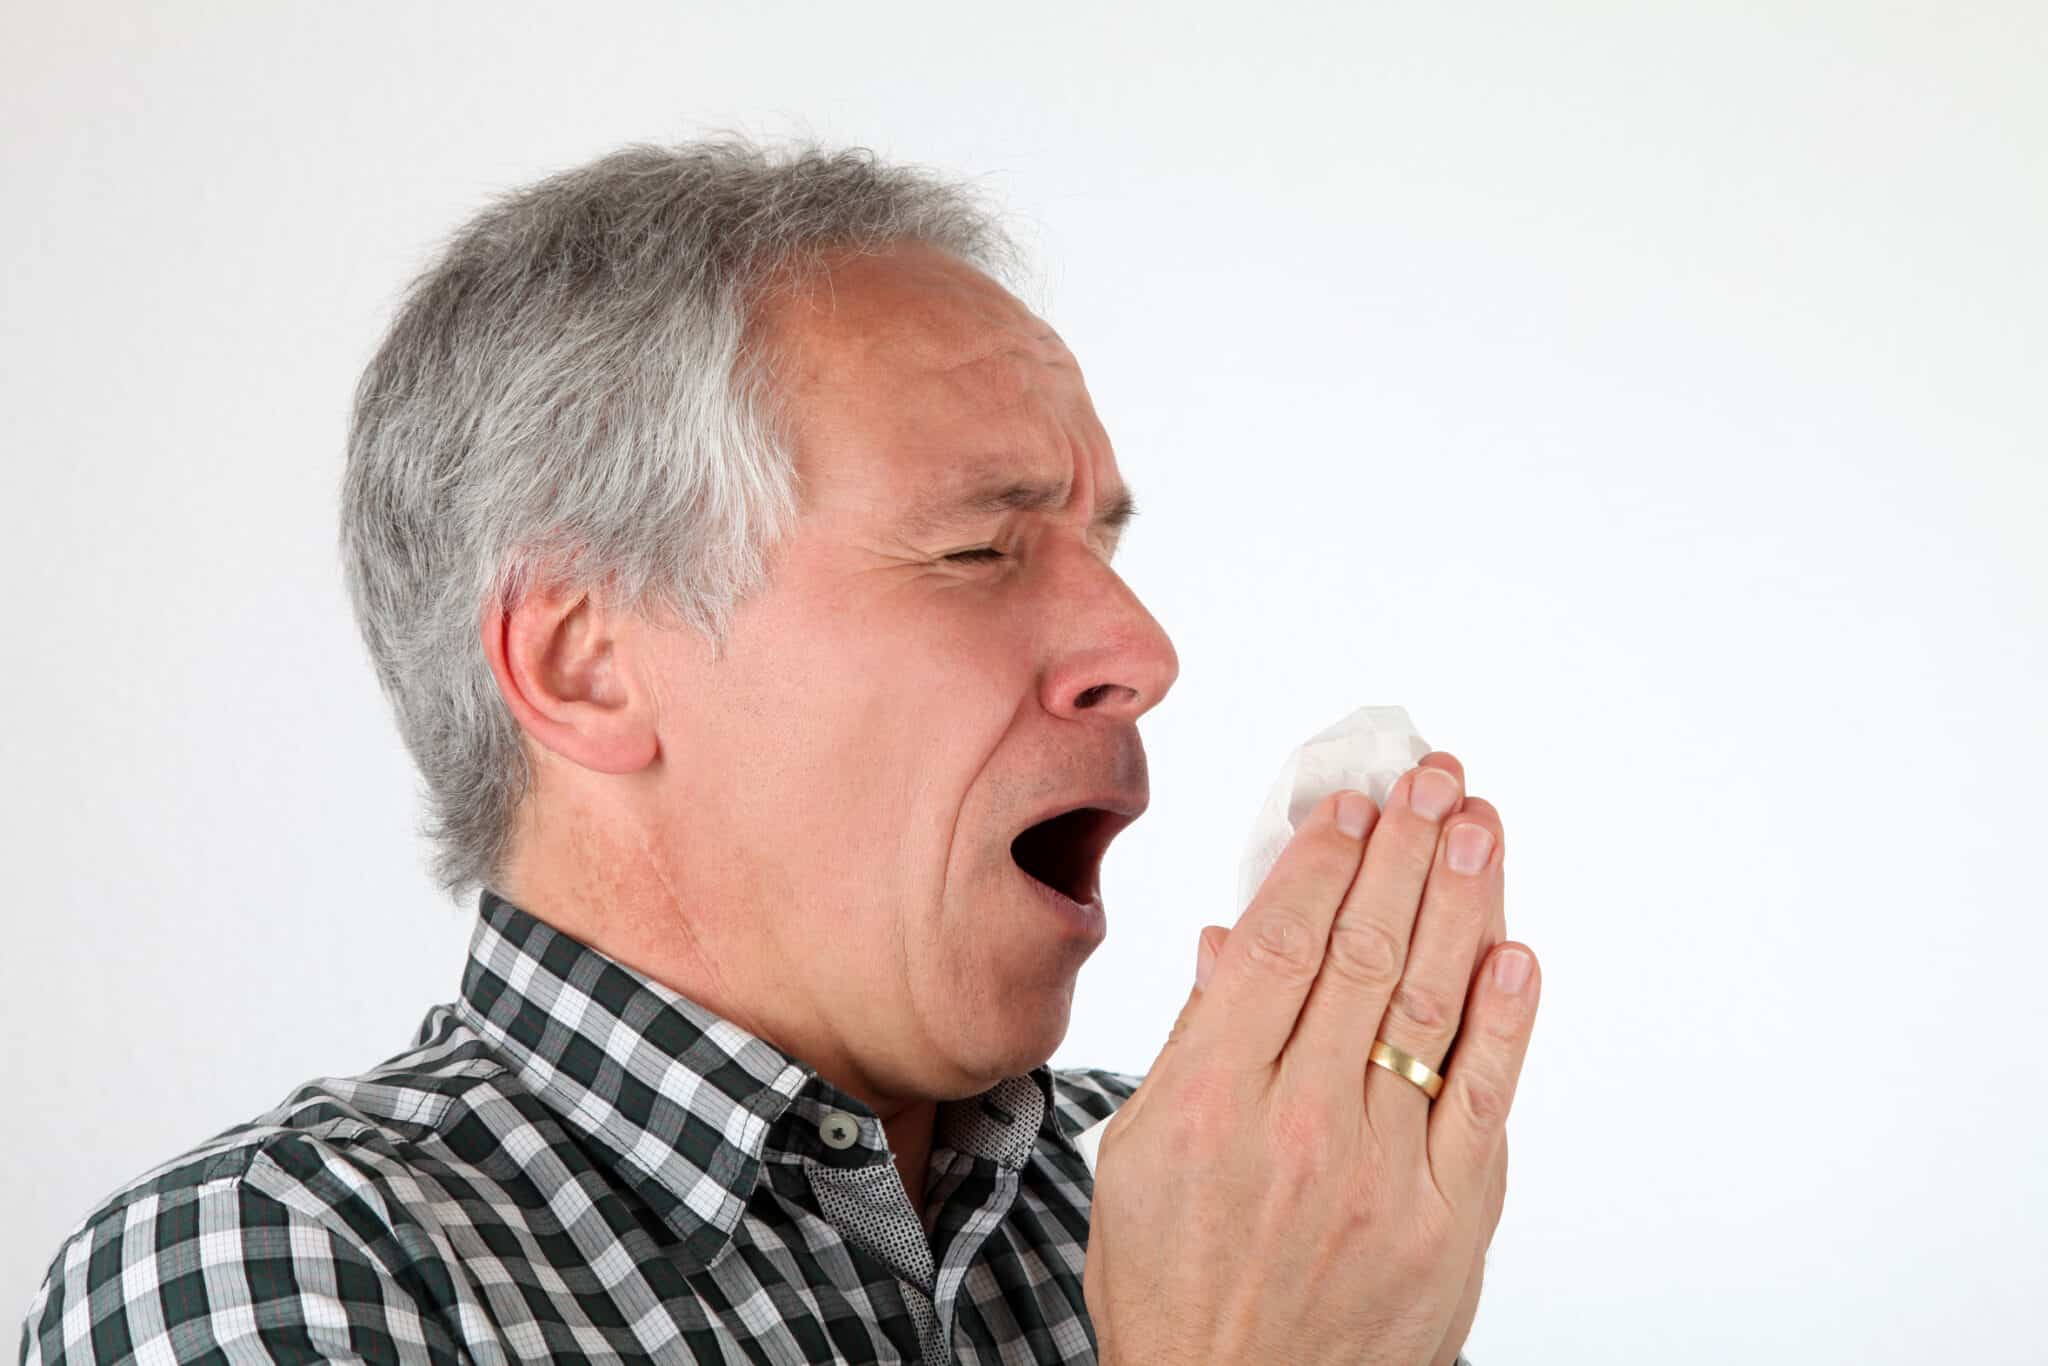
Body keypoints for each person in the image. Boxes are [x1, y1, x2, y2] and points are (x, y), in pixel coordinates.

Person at [20, 138, 1538, 1364]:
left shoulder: (1212, 1199)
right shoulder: (282, 1270)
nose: (1141, 650)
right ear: (585, 662)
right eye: (979, 548)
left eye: (1104, 545)